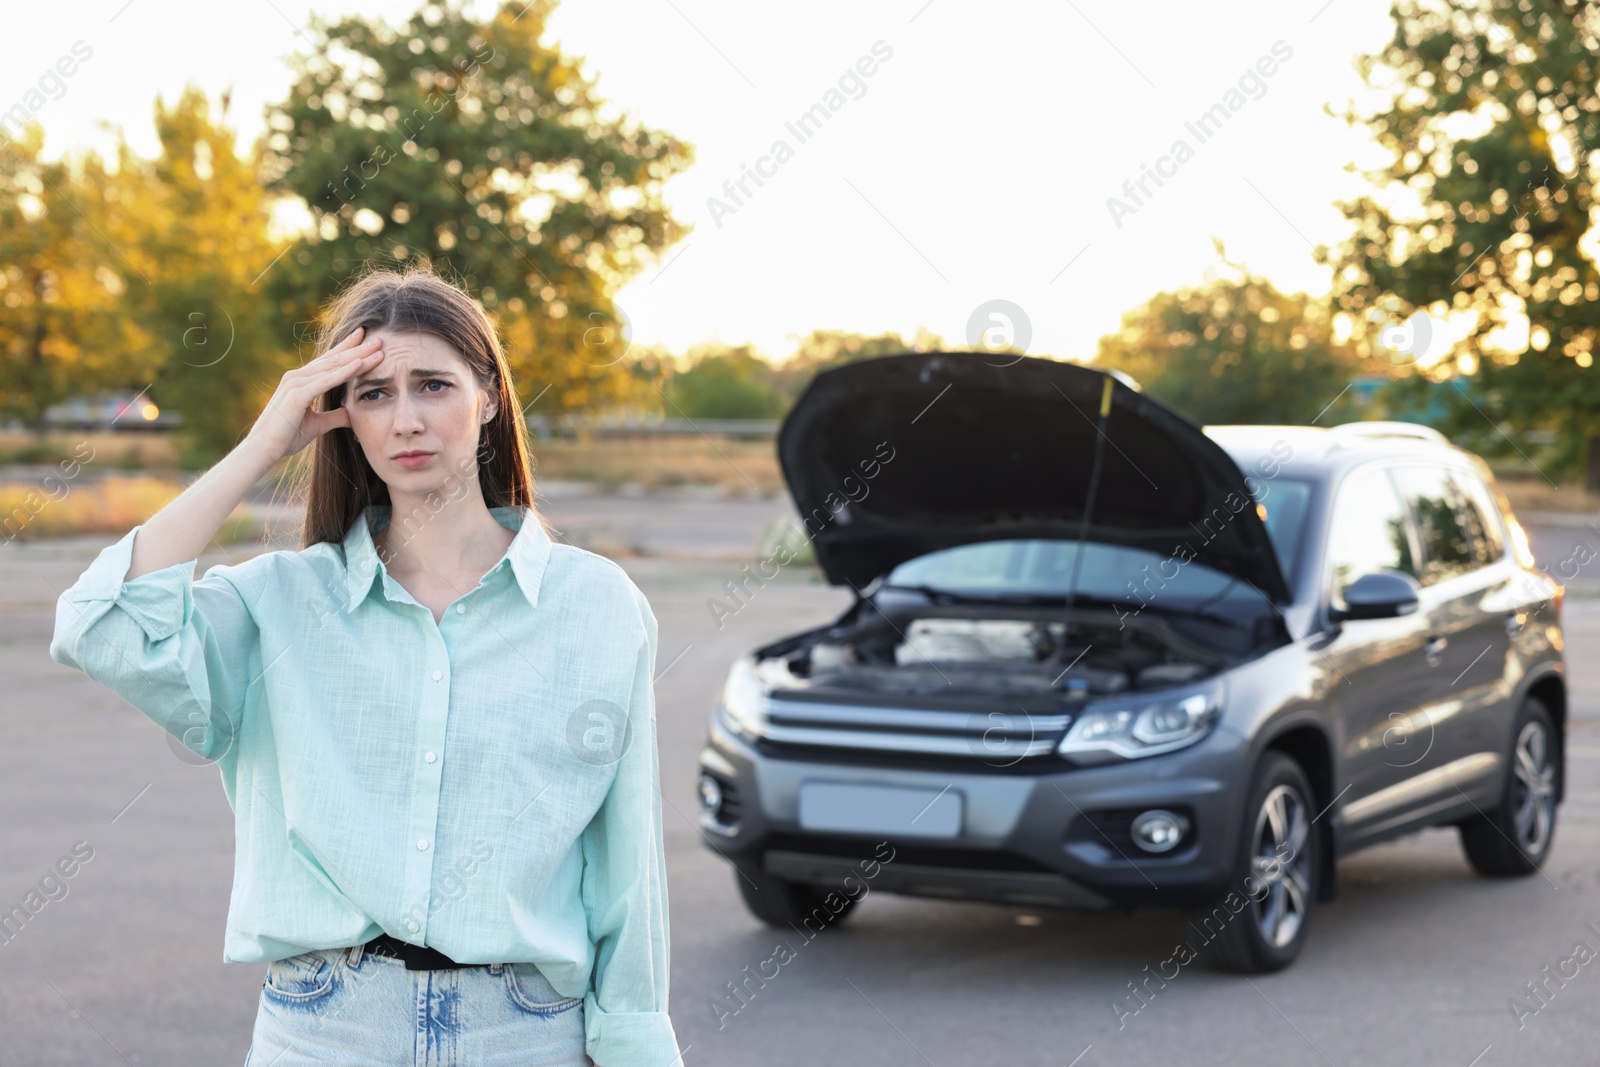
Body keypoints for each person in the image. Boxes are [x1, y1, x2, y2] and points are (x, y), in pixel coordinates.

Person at [48, 265, 681, 1067]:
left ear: (488, 396)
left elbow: (628, 869)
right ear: (342, 415)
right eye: (374, 393)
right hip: (323, 1031)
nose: (407, 419)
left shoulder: (597, 604)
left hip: (527, 1032)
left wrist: (636, 1047)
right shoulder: (276, 601)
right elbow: (99, 624)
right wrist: (264, 442)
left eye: (433, 385)